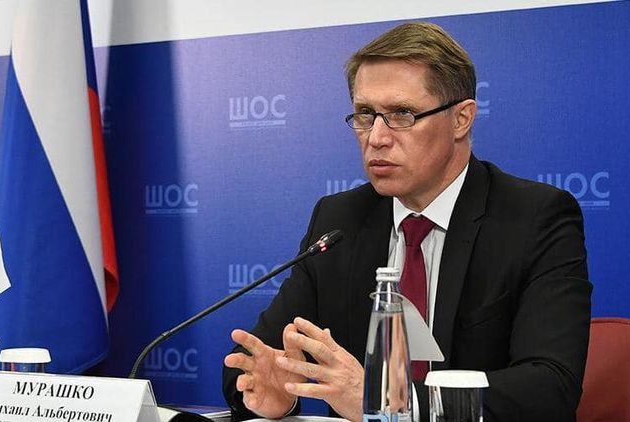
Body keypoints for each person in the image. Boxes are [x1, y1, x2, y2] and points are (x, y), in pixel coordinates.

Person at [223, 22, 591, 422]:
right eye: (365, 114)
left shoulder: (534, 218)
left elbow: (550, 387)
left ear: (461, 119)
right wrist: (270, 391)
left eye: (401, 114)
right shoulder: (340, 220)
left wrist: (392, 400)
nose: (376, 137)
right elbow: (256, 358)